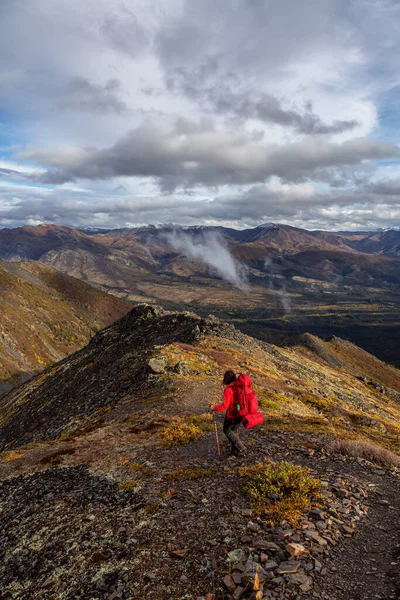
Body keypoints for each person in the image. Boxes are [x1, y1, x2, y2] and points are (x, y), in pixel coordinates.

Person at [210, 370, 247, 456]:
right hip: (241, 413)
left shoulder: (229, 389)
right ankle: (235, 451)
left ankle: (240, 447)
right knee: (232, 431)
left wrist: (214, 407)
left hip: (232, 414)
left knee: (226, 431)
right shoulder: (240, 387)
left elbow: (225, 405)